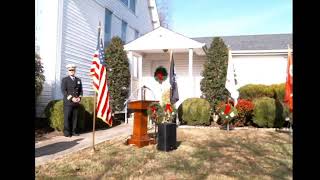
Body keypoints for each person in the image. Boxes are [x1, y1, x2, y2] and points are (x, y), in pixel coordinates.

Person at [61, 64, 83, 137]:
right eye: (70, 70)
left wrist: (79, 98)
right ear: (68, 71)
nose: (71, 71)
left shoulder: (78, 80)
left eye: (73, 70)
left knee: (75, 118)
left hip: (76, 102)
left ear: (75, 71)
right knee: (67, 118)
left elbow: (81, 91)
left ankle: (74, 131)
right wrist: (72, 98)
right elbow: (64, 91)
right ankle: (67, 132)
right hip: (68, 102)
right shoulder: (65, 80)